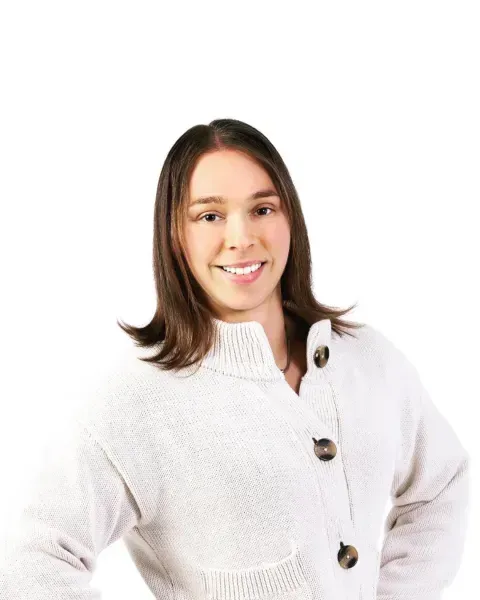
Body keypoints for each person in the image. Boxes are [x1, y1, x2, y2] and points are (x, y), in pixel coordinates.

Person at [0, 118, 470, 599]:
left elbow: (440, 487)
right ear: (175, 236)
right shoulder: (136, 400)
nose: (241, 237)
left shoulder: (368, 360)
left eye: (263, 209)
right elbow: (34, 560)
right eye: (210, 216)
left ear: (291, 221)